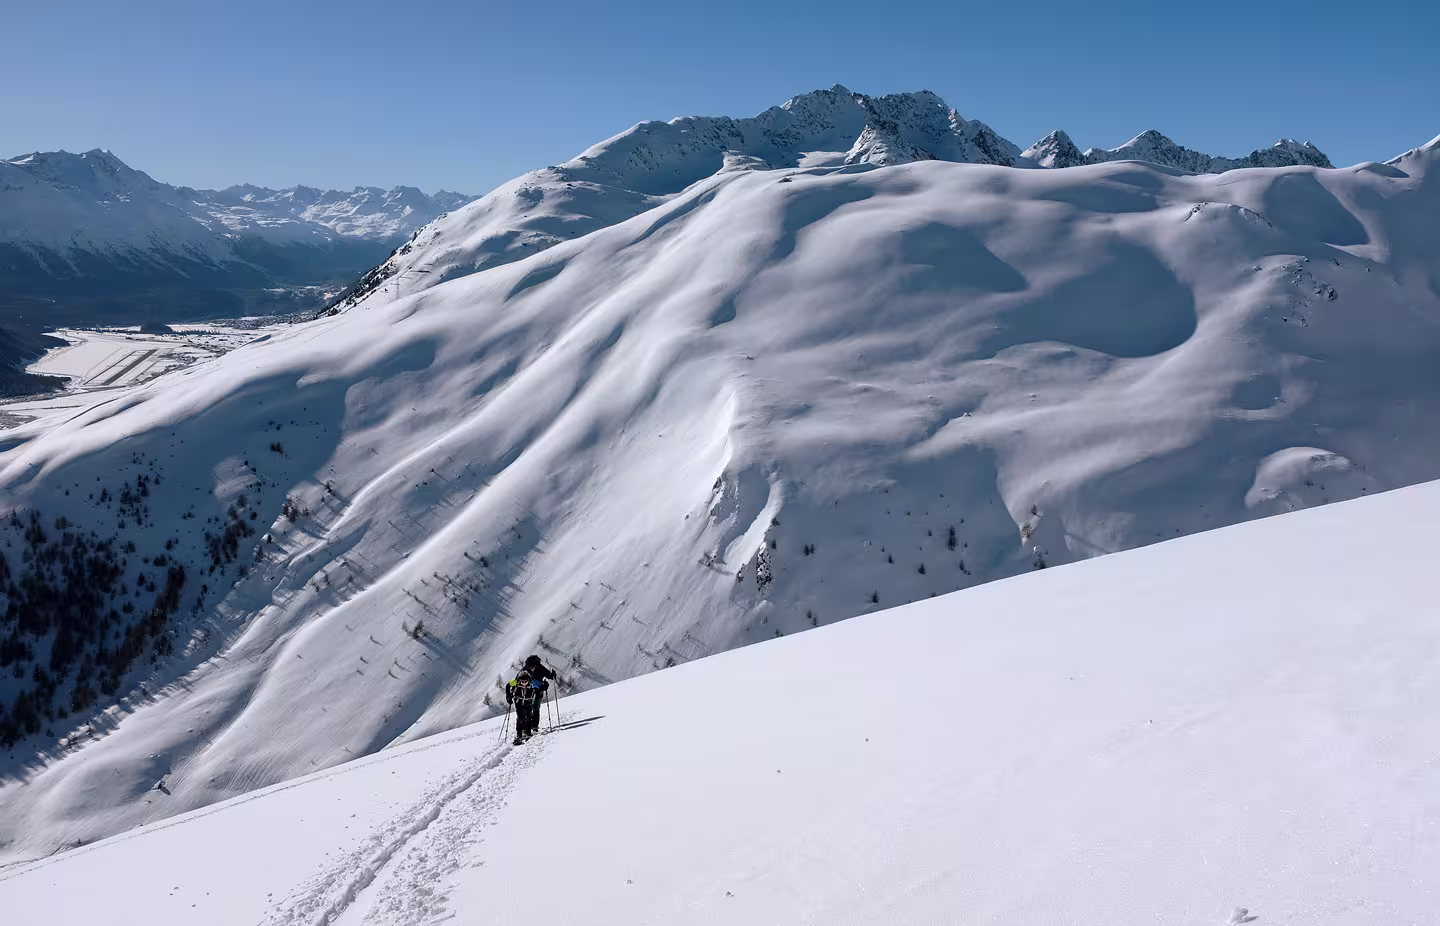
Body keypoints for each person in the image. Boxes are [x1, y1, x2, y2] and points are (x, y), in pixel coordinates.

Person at [506, 668, 547, 745]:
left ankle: (528, 733)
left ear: (528, 680)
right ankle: (519, 735)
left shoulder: (533, 682)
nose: (524, 683)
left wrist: (545, 685)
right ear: (519, 680)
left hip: (529, 702)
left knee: (528, 717)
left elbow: (541, 687)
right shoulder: (516, 681)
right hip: (519, 702)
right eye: (522, 682)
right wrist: (508, 696)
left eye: (525, 681)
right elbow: (508, 685)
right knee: (520, 718)